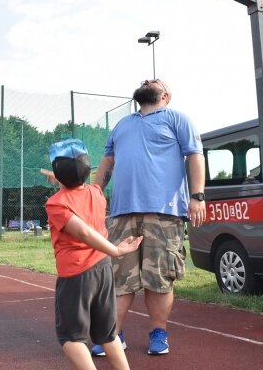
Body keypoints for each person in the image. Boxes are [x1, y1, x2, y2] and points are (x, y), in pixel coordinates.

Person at [92, 79, 206, 357]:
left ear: (165, 95)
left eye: (153, 82)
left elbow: (194, 155)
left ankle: (159, 333)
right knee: (120, 278)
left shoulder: (177, 119)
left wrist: (198, 195)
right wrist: (95, 194)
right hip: (122, 213)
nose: (146, 82)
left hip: (164, 212)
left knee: (160, 277)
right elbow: (107, 162)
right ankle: (114, 335)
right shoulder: (121, 125)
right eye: (145, 80)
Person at [43, 138, 143, 370]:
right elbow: (77, 193)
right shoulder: (97, 193)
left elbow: (85, 233)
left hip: (77, 274)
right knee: (107, 334)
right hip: (102, 270)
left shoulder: (55, 204)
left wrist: (115, 249)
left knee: (70, 338)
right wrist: (62, 179)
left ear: (58, 174)